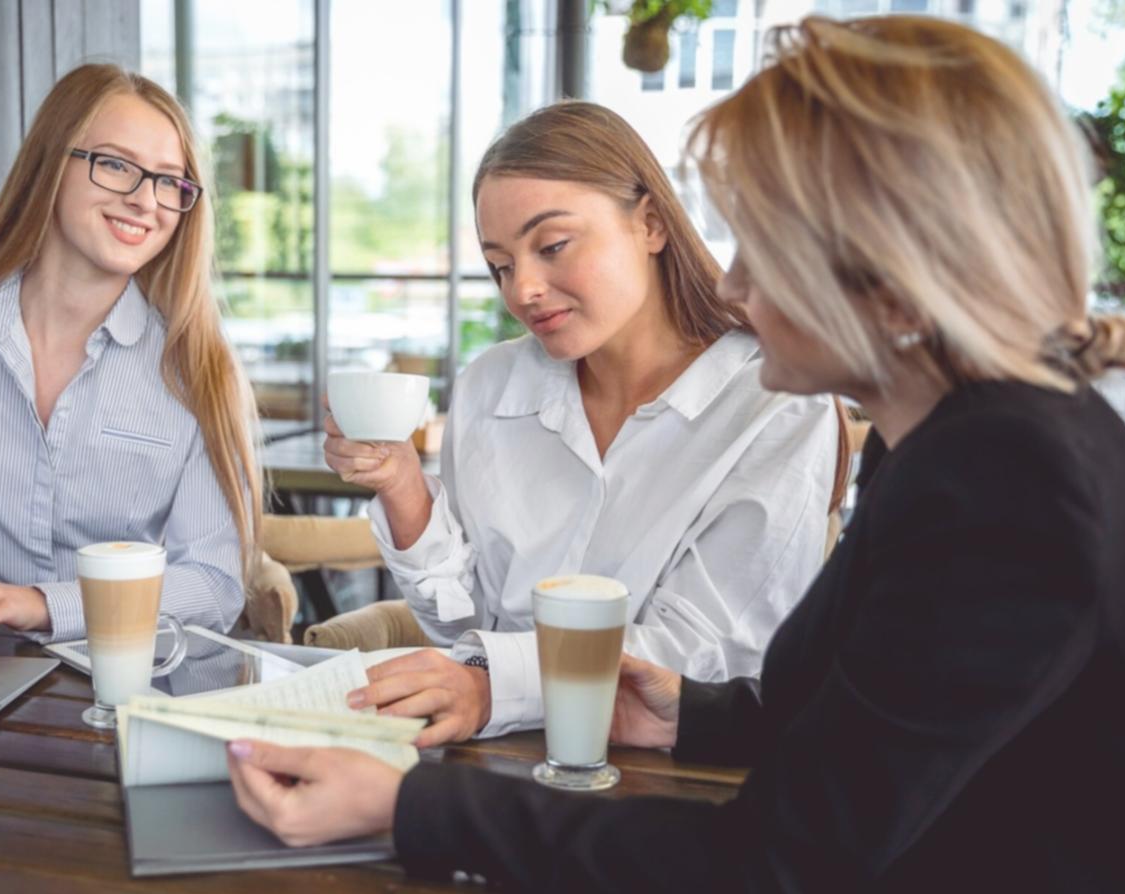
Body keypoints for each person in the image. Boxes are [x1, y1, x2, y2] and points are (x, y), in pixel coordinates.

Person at [227, 16, 1125, 894]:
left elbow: (770, 872)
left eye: (762, 245)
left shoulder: (1006, 485)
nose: (736, 287)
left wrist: (406, 808)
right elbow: (882, 723)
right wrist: (692, 718)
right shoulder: (964, 444)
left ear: (889, 273)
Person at [324, 101, 844, 747]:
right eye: (501, 265)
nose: (524, 291)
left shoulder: (777, 403)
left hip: (672, 773)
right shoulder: (489, 388)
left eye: (552, 246)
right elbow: (467, 630)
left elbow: (706, 654)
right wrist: (403, 487)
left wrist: (492, 686)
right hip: (495, 755)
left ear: (650, 223)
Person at [0, 64, 260, 642]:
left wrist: (41, 604)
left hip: (117, 693)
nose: (144, 201)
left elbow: (212, 583)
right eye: (115, 165)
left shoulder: (198, 368)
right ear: (50, 165)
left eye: (168, 181)